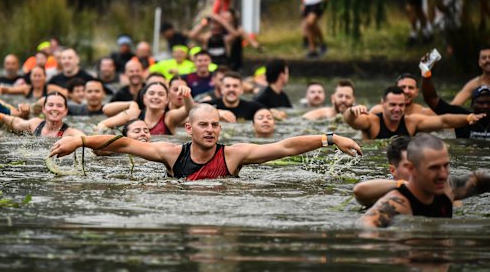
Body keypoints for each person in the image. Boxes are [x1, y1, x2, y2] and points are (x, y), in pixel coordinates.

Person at [50, 104, 362, 181]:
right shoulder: (171, 153)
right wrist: (79, 141)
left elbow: (285, 146)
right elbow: (121, 144)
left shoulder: (234, 155)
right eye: (204, 125)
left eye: (215, 125)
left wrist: (331, 138)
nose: (211, 130)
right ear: (188, 128)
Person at [359, 133, 490, 228]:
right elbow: (366, 226)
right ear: (412, 169)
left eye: (445, 165)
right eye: (434, 168)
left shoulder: (449, 188)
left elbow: (478, 178)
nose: (443, 175)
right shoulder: (398, 204)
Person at [343, 86, 485, 140]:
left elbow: (443, 121)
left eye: (401, 105)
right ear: (382, 104)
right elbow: (351, 122)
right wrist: (351, 111)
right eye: (392, 105)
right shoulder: (372, 121)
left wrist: (468, 117)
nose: (397, 109)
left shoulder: (412, 122)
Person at [98, 81, 193, 136]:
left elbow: (190, 111)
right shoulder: (133, 114)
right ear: (144, 98)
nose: (155, 97)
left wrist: (187, 95)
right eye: (151, 93)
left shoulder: (169, 118)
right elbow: (102, 124)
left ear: (167, 100)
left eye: (160, 94)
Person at [421, 69, 490, 140]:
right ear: (472, 104)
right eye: (481, 103)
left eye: (489, 103)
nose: (485, 106)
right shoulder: (461, 117)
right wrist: (426, 73)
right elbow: (431, 99)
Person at [0, 92, 83, 138]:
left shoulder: (70, 133)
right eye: (50, 105)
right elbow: (17, 123)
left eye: (59, 105)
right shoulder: (35, 124)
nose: (54, 108)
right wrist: (1, 116)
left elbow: (85, 140)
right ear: (43, 109)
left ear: (66, 111)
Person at [370, 73, 435, 116]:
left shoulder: (425, 114)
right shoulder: (378, 111)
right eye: (403, 87)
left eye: (411, 88)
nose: (406, 91)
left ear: (417, 92)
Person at [0, 66, 65, 100]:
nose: (37, 79)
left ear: (45, 77)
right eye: (34, 76)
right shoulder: (26, 89)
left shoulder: (50, 89)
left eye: (39, 76)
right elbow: (6, 89)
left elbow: (67, 93)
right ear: (30, 77)